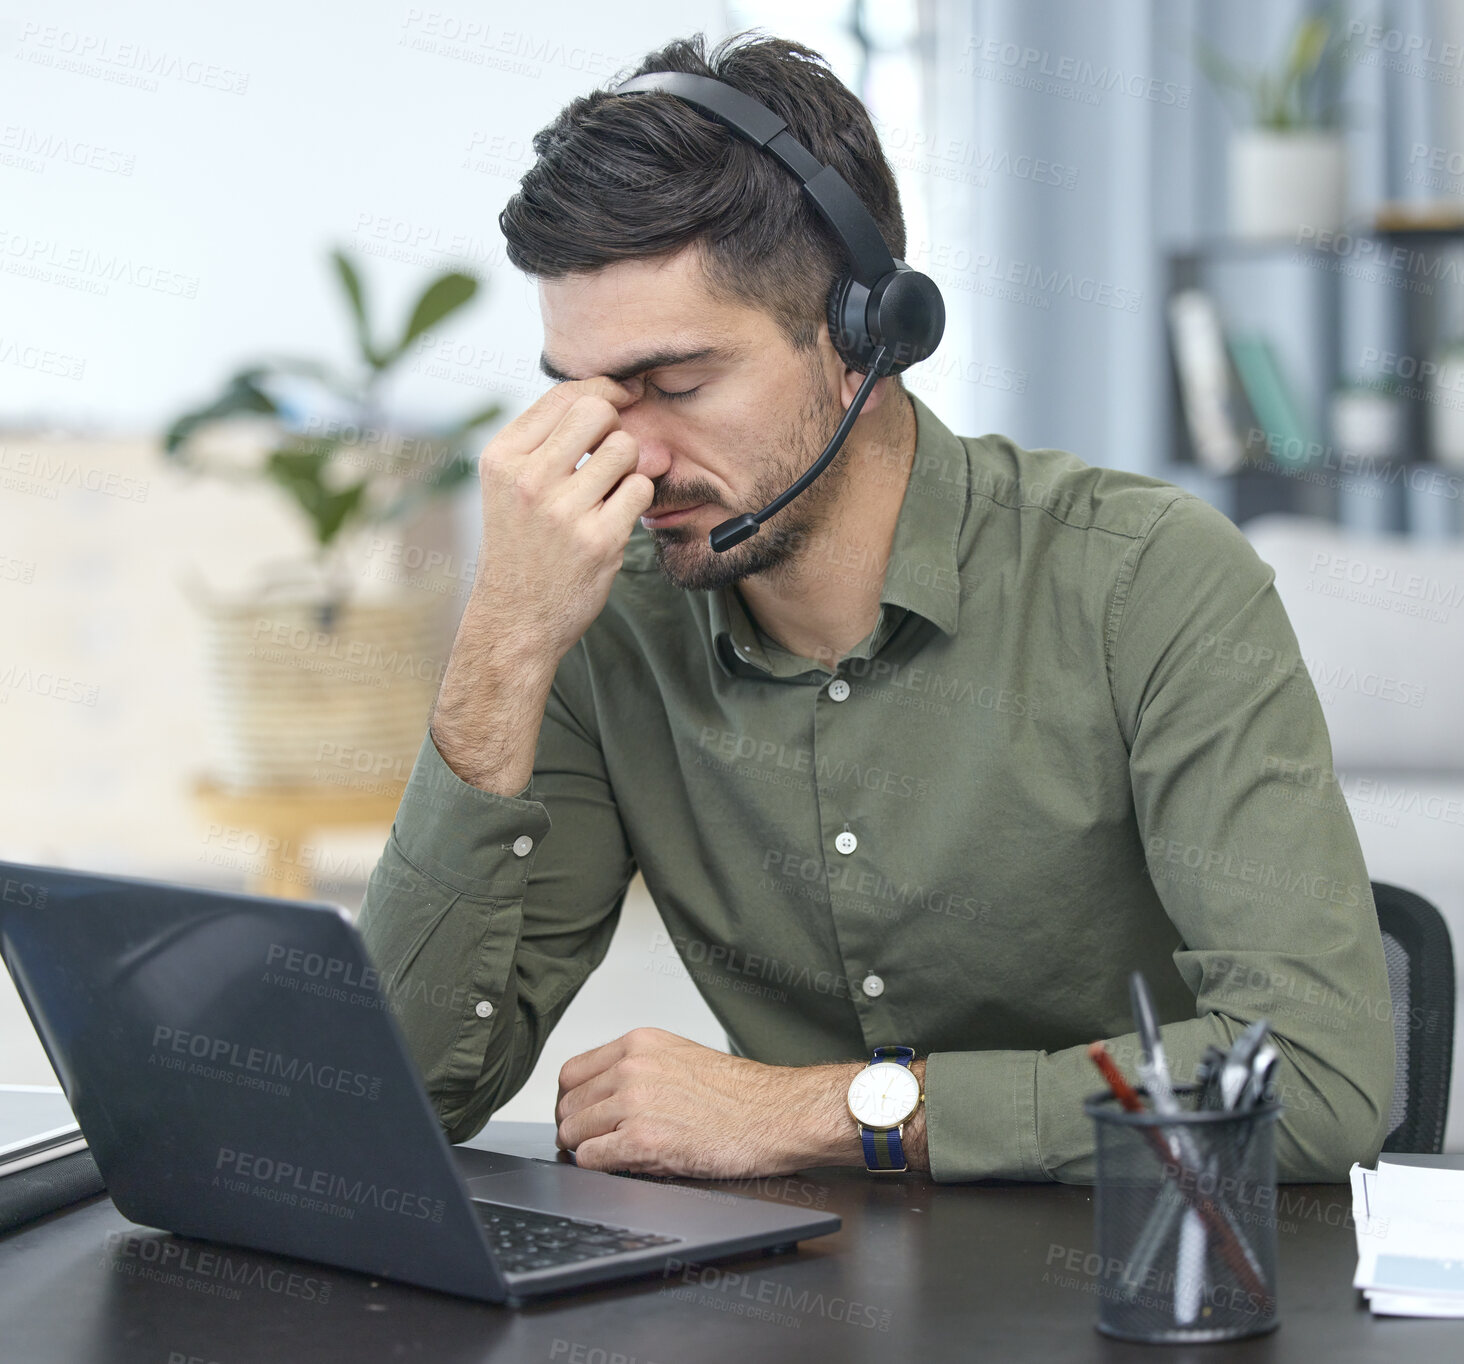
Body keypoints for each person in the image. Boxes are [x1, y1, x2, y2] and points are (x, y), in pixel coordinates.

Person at [358, 30, 1393, 1184]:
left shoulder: (1147, 581)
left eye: (681, 383)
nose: (629, 456)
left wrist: (830, 1109)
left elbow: (1316, 1076)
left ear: (869, 335)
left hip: (1136, 1288)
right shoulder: (606, 621)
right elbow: (399, 1096)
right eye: (588, 395)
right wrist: (501, 638)